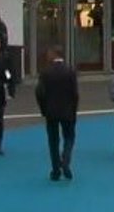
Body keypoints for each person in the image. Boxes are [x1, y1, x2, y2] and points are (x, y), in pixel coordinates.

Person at [35, 45, 79, 180]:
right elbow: (75, 94)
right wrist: (74, 110)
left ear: (53, 55)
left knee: (53, 140)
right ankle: (65, 160)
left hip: (51, 111)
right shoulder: (70, 71)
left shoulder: (45, 72)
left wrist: (43, 109)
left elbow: (39, 93)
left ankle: (55, 169)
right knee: (69, 137)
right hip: (67, 110)